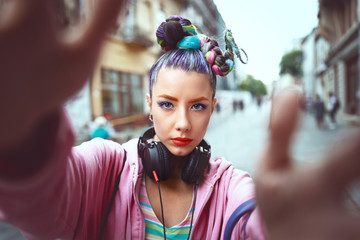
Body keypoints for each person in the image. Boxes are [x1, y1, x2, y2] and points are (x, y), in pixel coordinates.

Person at [1, 2, 360, 240]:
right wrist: (23, 136)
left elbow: (254, 220)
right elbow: (44, 199)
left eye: (198, 106)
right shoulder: (107, 168)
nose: (183, 124)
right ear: (149, 105)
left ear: (215, 106)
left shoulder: (230, 188)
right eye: (167, 104)